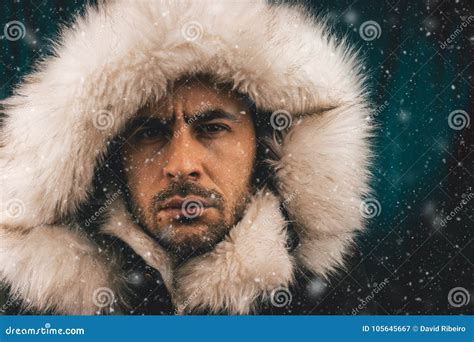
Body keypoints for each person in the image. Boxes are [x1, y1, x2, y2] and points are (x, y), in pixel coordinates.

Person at [0, 0, 374, 315]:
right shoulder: (25, 313)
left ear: (266, 145)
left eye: (212, 128)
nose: (181, 165)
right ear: (110, 158)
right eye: (149, 133)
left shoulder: (343, 302)